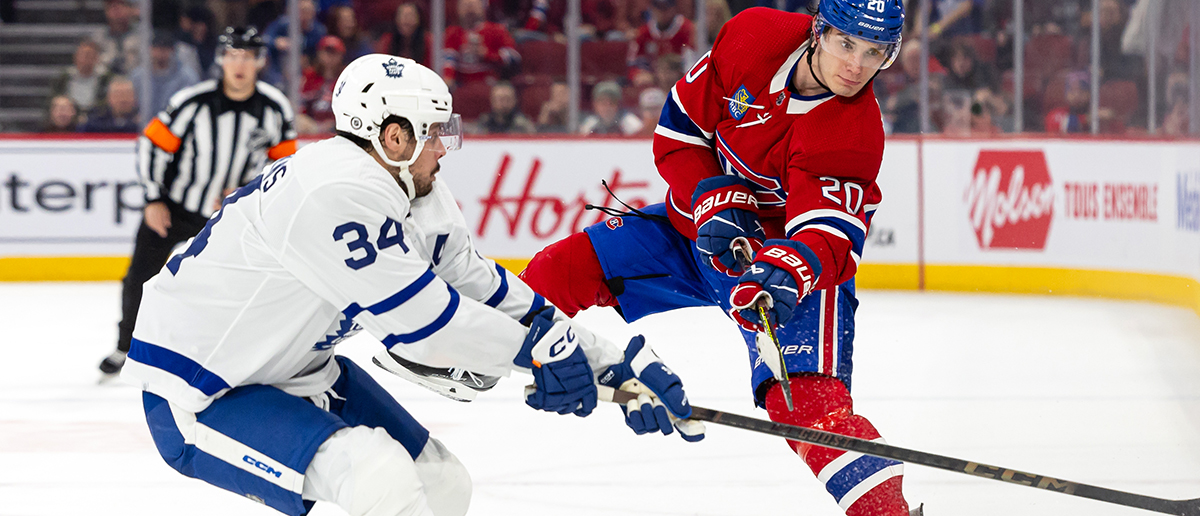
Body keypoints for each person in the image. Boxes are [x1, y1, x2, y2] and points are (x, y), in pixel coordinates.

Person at [119, 53, 703, 516]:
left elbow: (486, 290)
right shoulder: (333, 190)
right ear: (392, 136)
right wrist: (542, 356)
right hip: (200, 390)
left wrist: (617, 361)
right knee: (378, 476)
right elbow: (424, 325)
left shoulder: (414, 189)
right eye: (433, 134)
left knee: (442, 484)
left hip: (296, 370)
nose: (443, 150)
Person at [525, 1, 922, 514]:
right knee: (562, 269)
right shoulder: (754, 37)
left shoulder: (851, 131)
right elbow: (678, 135)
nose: (856, 67)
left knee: (805, 406)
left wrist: (784, 271)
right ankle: (468, 346)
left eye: (875, 54)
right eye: (847, 43)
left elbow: (824, 235)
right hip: (692, 232)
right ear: (819, 30)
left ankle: (886, 510)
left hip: (778, 271)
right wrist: (712, 202)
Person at [97, 27, 297, 378]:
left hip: (234, 214)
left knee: (242, 285)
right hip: (175, 208)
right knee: (140, 277)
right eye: (233, 55)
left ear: (260, 62)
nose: (240, 64)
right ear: (221, 59)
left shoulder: (275, 108)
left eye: (248, 56)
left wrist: (250, 194)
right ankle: (125, 345)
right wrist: (153, 198)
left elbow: (283, 165)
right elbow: (151, 146)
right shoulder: (192, 101)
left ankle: (236, 354)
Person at [442, 0, 520, 89]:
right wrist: (448, 78)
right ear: (458, 9)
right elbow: (447, 60)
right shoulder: (452, 33)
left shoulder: (496, 30)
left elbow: (514, 57)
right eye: (465, 5)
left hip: (492, 84)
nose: (469, 9)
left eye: (473, 5)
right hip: (462, 85)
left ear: (483, 8)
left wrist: (486, 53)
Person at [129, 32, 201, 121]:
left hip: (175, 122)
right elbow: (133, 103)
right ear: (150, 49)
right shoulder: (138, 76)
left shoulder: (186, 76)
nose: (160, 53)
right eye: (157, 49)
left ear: (173, 51)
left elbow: (187, 103)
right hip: (144, 124)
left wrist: (166, 117)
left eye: (165, 49)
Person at [296, 35, 346, 135]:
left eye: (334, 53)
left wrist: (333, 124)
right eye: (326, 52)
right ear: (319, 53)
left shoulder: (346, 77)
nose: (329, 57)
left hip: (338, 128)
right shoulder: (308, 76)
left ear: (341, 56)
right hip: (311, 127)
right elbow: (300, 106)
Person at [50, 39, 112, 114]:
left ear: (96, 58)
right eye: (83, 55)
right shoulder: (65, 77)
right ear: (75, 57)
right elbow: (54, 100)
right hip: (69, 117)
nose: (86, 59)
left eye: (89, 55)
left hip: (96, 117)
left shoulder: (105, 79)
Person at [375, 2, 431, 67]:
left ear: (418, 19)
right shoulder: (387, 41)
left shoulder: (428, 42)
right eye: (403, 16)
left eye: (411, 16)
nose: (406, 20)